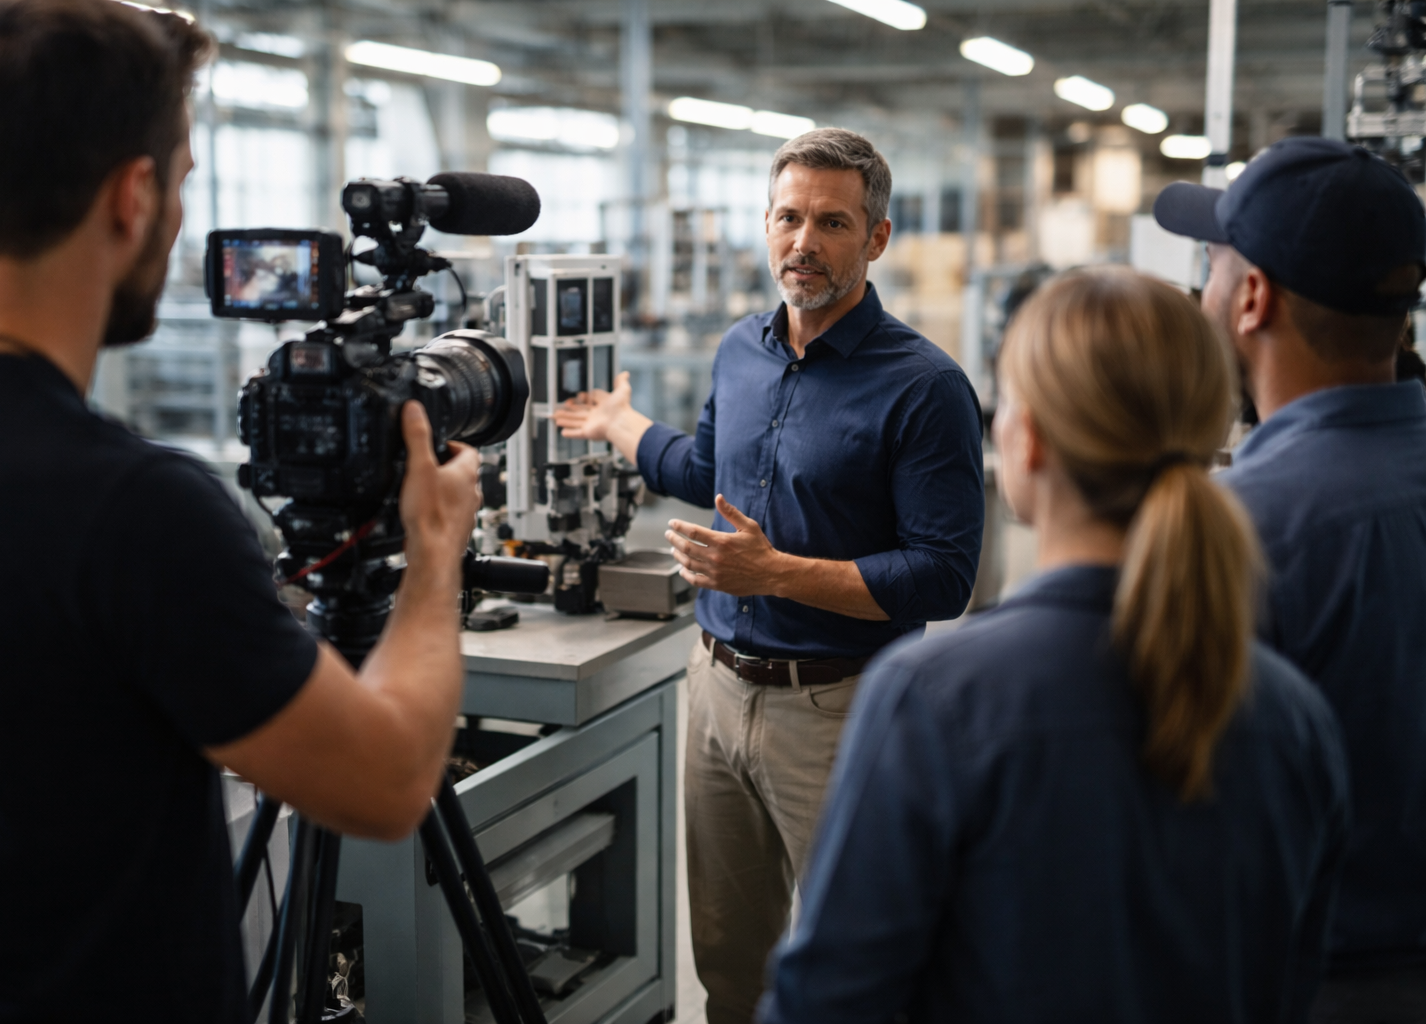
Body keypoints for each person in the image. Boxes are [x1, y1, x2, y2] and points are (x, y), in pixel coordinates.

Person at [0, 2, 481, 1020]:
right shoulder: (136, 512)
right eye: (184, 185)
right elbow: (385, 785)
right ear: (133, 196)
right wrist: (433, 555)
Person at [758, 267, 1350, 1024]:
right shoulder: (1294, 716)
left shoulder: (936, 700)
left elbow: (829, 1003)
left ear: (1027, 441)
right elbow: (1294, 984)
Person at [554, 127, 985, 1024]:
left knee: (853, 967)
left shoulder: (924, 386)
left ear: (876, 239)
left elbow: (942, 578)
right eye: (789, 217)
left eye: (832, 222)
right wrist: (626, 427)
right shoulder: (740, 351)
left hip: (837, 709)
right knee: (728, 954)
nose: (804, 242)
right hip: (713, 691)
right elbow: (708, 465)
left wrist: (775, 573)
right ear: (766, 224)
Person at [1155, 137, 1426, 1022]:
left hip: (1309, 982)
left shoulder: (1241, 532)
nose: (1203, 291)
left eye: (1212, 267)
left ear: (1253, 299)